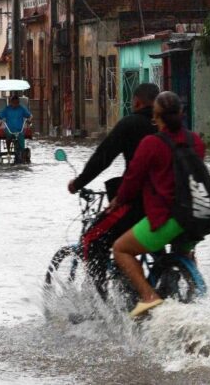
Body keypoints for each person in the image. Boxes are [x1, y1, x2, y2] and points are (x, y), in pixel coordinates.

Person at [111, 91, 205, 318]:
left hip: (170, 218)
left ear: (156, 117)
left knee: (120, 249)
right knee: (182, 250)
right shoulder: (196, 141)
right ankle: (190, 292)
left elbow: (132, 180)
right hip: (199, 218)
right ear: (181, 114)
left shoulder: (152, 143)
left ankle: (149, 297)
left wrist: (117, 200)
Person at [67, 83, 159, 297]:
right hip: (169, 205)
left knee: (91, 239)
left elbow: (103, 157)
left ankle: (101, 305)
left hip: (138, 203)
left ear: (136, 102)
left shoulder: (131, 124)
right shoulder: (169, 129)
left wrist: (78, 183)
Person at [0, 95, 32, 161]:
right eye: (14, 103)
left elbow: (30, 115)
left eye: (17, 103)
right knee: (9, 136)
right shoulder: (7, 109)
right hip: (9, 129)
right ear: (11, 102)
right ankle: (9, 151)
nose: (16, 104)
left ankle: (22, 152)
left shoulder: (21, 108)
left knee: (21, 138)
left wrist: (29, 120)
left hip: (19, 130)